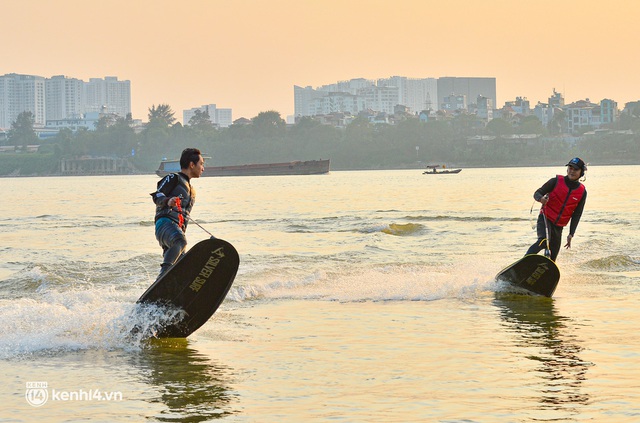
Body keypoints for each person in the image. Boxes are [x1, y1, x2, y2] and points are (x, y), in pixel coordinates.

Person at [150, 148, 205, 278]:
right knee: (180, 241)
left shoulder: (192, 190)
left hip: (177, 230)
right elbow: (157, 195)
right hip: (165, 224)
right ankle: (162, 277)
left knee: (183, 267)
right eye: (201, 164)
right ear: (192, 164)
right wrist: (168, 201)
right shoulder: (173, 178)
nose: (203, 168)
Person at [526, 157, 587, 261]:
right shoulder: (555, 181)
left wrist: (571, 233)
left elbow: (577, 214)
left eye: (575, 169)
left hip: (559, 227)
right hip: (545, 219)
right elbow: (537, 193)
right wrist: (541, 199)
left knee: (553, 256)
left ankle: (546, 275)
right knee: (544, 240)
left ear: (581, 172)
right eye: (570, 168)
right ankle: (524, 262)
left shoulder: (582, 192)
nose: (572, 171)